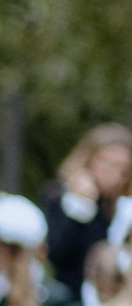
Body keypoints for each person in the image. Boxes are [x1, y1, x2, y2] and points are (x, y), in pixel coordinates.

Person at [40, 123, 132, 295]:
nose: (115, 176)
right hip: (70, 298)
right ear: (90, 159)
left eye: (123, 170)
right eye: (110, 165)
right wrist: (80, 207)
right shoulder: (59, 194)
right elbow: (57, 254)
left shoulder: (123, 205)